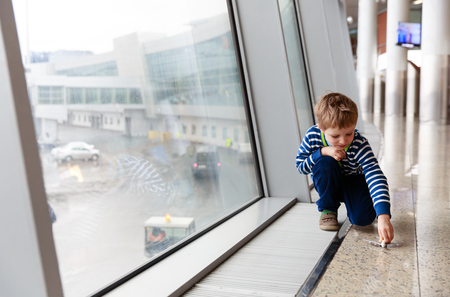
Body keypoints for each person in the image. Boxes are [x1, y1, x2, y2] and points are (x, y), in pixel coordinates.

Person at [295, 92, 394, 244]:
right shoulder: (312, 136)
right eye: (335, 136)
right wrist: (322, 152)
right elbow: (301, 167)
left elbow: (375, 175)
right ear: (321, 128)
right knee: (325, 163)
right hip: (329, 180)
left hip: (354, 182)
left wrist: (383, 215)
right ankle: (328, 210)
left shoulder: (359, 143)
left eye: (349, 133)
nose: (343, 141)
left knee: (362, 220)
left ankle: (358, 205)